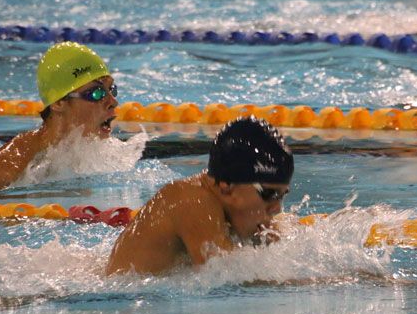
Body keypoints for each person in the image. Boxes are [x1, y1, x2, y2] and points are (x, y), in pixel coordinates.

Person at [106, 116, 294, 276]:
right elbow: (224, 278)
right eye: (269, 194)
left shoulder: (229, 208)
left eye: (281, 195)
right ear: (226, 186)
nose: (277, 207)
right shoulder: (192, 201)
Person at [0, 42, 118, 196]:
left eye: (112, 89)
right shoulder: (8, 167)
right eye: (97, 93)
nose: (113, 102)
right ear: (58, 103)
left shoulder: (87, 151)